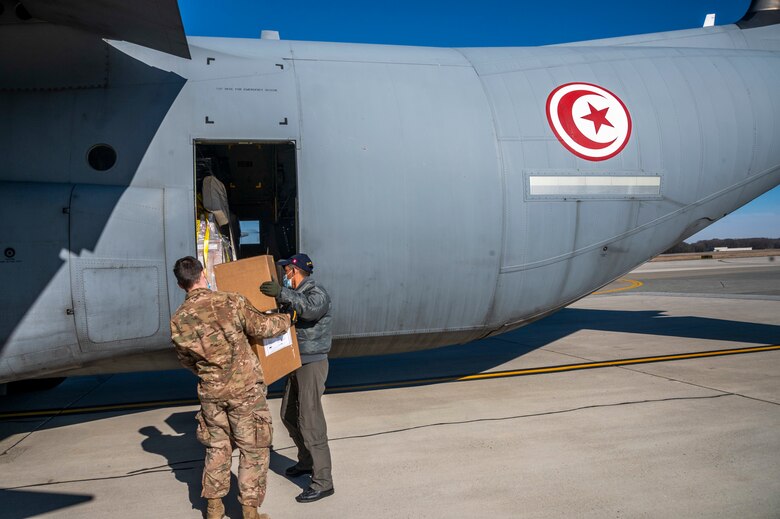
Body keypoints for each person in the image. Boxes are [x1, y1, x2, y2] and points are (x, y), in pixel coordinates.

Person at [170, 256, 291, 519]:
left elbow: (186, 360)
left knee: (218, 447)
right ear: (203, 274)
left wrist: (211, 374)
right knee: (254, 448)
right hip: (244, 391)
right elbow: (262, 327)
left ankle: (214, 508)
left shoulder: (179, 319)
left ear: (181, 285)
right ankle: (249, 510)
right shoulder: (229, 301)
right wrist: (287, 319)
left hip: (211, 394)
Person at [259, 253, 334, 503]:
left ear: (295, 271)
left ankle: (323, 482)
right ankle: (306, 461)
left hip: (312, 362)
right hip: (294, 361)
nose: (284, 276)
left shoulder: (316, 291)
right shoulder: (295, 295)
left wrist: (282, 293)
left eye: (286, 271)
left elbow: (311, 311)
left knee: (310, 421)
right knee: (288, 415)